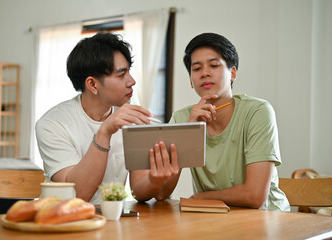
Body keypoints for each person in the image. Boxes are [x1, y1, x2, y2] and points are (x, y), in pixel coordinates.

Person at [36, 33, 180, 204]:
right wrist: (104, 131)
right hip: (61, 220)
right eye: (121, 75)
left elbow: (138, 190)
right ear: (93, 84)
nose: (132, 81)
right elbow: (77, 195)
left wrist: (154, 181)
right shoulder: (52, 124)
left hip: (110, 219)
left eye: (129, 72)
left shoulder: (131, 117)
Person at [169, 32, 290, 211]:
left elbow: (255, 196)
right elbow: (162, 192)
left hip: (267, 218)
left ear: (232, 73)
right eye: (196, 69)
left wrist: (200, 197)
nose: (205, 73)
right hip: (214, 217)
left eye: (214, 65)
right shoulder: (182, 119)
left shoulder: (258, 112)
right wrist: (188, 132)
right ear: (191, 81)